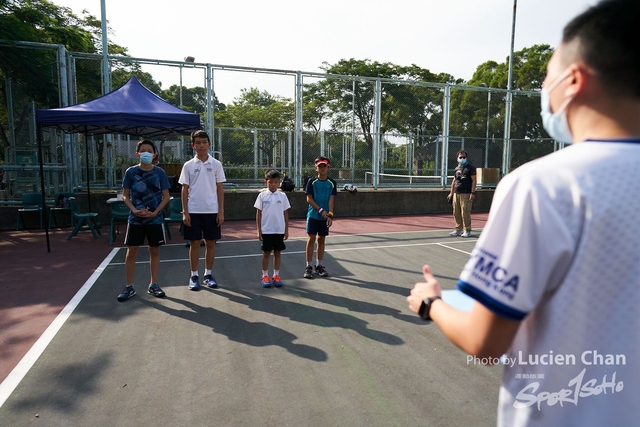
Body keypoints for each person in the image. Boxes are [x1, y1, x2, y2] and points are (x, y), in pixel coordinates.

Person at [407, 0, 640, 425]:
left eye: (547, 76)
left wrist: (431, 303)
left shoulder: (543, 184)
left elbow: (485, 341)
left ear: (573, 80)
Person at [117, 139, 170, 302]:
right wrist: (134, 210)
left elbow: (166, 196)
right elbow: (125, 195)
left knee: (154, 251)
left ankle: (154, 284)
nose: (146, 153)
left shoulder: (160, 172)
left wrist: (155, 213)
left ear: (154, 154)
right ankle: (129, 286)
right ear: (137, 153)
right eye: (143, 150)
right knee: (131, 251)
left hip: (155, 220)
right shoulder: (131, 172)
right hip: (135, 220)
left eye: (149, 150)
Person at [178, 130, 226, 290]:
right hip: (193, 211)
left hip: (212, 211)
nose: (201, 145)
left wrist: (221, 211)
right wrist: (185, 212)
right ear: (193, 145)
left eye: (204, 142)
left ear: (209, 144)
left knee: (211, 243)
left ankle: (208, 274)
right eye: (197, 143)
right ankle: (193, 275)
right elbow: (184, 189)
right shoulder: (188, 165)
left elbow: (220, 189)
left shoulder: (216, 164)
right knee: (195, 243)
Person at [255, 169, 291, 288]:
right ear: (266, 182)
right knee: (266, 253)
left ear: (279, 182)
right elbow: (258, 213)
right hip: (266, 230)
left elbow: (285, 213)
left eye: (276, 182)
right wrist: (259, 230)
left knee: (277, 253)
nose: (273, 184)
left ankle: (276, 275)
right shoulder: (262, 195)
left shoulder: (283, 196)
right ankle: (265, 275)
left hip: (279, 229)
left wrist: (286, 229)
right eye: (271, 182)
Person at [304, 156, 337, 279]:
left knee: (321, 239)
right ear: (316, 168)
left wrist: (330, 215)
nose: (322, 168)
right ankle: (308, 266)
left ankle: (319, 266)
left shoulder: (332, 183)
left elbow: (331, 199)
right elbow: (309, 198)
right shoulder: (311, 182)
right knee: (311, 239)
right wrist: (320, 209)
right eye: (320, 166)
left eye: (324, 166)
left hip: (324, 217)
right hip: (313, 215)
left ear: (328, 167)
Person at [446, 149, 476, 238]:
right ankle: (458, 229)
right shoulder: (457, 168)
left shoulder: (471, 168)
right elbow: (454, 181)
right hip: (456, 193)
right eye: (460, 157)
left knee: (465, 212)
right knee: (456, 212)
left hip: (466, 193)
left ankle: (467, 230)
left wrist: (472, 192)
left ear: (466, 158)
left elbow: (474, 181)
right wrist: (451, 193)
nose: (462, 158)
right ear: (457, 158)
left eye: (464, 157)